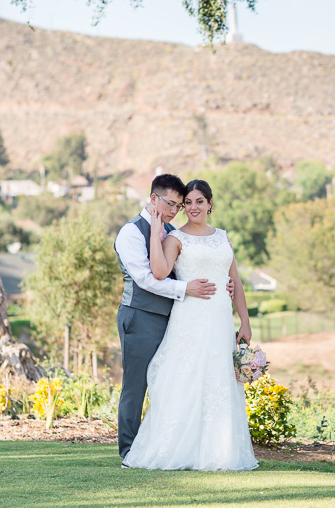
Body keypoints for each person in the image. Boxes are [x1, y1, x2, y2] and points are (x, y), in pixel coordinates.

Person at [122, 179, 258, 471]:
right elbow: (157, 273)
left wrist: (244, 321)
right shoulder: (173, 237)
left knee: (219, 378)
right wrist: (156, 233)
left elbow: (235, 281)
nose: (192, 207)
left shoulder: (223, 237)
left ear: (210, 203)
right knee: (186, 377)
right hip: (190, 317)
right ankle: (172, 448)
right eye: (187, 203)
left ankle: (219, 450)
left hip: (220, 319)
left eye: (198, 201)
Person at [114, 174, 227, 465]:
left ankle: (163, 444)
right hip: (140, 316)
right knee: (136, 386)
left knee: (168, 382)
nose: (176, 211)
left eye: (179, 206)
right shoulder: (131, 233)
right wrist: (185, 288)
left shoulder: (170, 230)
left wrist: (221, 282)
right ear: (154, 199)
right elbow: (145, 279)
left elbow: (185, 264)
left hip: (174, 318)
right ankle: (129, 451)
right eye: (172, 204)